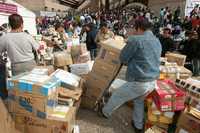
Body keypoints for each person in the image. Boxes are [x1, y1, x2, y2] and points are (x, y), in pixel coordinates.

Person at [101, 18, 162, 133]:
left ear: (138, 28)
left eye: (135, 29)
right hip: (152, 81)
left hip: (140, 81)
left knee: (118, 95)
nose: (133, 31)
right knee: (138, 101)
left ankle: (105, 112)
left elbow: (123, 58)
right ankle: (138, 126)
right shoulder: (157, 40)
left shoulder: (136, 40)